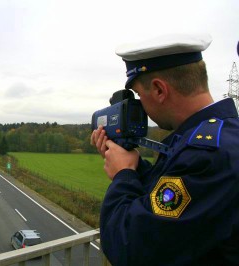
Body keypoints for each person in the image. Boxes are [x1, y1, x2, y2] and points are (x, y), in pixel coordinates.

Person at [91, 34, 239, 266]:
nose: (142, 106)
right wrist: (136, 166)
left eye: (139, 95)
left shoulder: (205, 155)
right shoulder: (214, 136)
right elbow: (169, 191)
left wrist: (123, 176)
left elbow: (129, 246)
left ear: (160, 90)